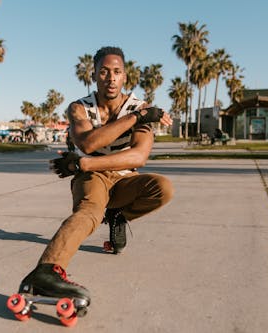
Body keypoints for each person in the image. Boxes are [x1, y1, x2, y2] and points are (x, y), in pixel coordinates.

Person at [16, 46, 174, 305]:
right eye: (104, 72)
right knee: (90, 211)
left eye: (117, 72)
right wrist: (137, 118)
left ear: (125, 76)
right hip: (93, 179)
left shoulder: (139, 106)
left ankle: (118, 217)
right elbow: (88, 143)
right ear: (94, 76)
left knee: (163, 188)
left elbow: (139, 157)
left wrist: (86, 164)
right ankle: (46, 272)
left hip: (121, 177)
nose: (110, 78)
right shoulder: (80, 108)